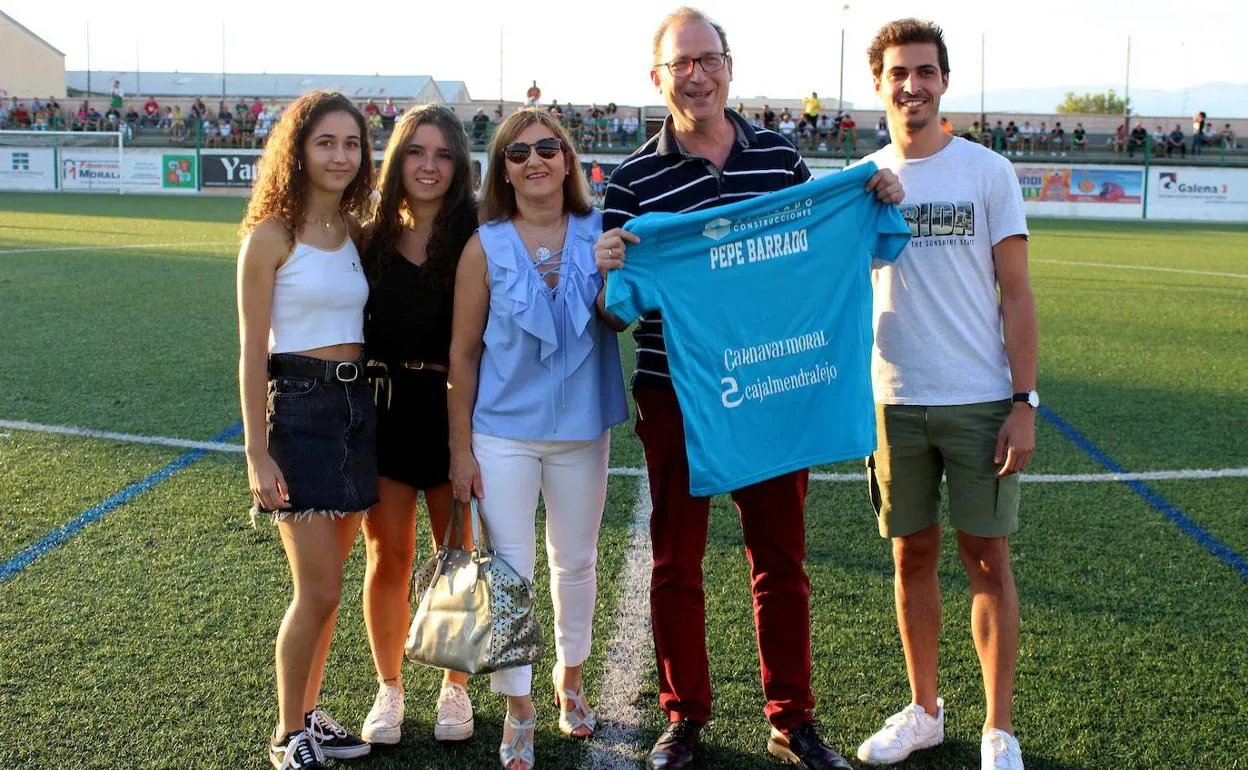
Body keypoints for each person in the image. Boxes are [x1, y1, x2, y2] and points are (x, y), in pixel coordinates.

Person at [593, 8, 902, 770]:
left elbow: (819, 257)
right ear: (658, 76)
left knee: (781, 562)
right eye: (680, 63)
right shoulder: (633, 180)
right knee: (674, 562)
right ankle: (683, 715)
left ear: (729, 65)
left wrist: (875, 195)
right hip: (676, 395)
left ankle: (792, 718)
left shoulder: (782, 161)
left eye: (708, 59)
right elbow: (614, 312)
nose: (696, 75)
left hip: (769, 390)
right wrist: (609, 272)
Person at [854, 20, 1036, 770]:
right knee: (911, 556)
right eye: (898, 73)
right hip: (893, 398)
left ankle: (999, 730)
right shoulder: (860, 179)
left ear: (944, 81)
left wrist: (1025, 401)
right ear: (878, 85)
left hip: (979, 398)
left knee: (987, 557)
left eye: (924, 72)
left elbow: (1017, 295)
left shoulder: (987, 173)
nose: (911, 86)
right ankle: (924, 710)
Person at [447, 108, 628, 770]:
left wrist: (613, 274)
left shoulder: (602, 231)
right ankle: (518, 709)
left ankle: (569, 681)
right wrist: (459, 450)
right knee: (512, 574)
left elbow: (619, 318)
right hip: (502, 435)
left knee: (575, 562)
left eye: (547, 148)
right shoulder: (483, 245)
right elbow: (463, 355)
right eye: (518, 153)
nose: (535, 161)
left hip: (582, 431)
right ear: (502, 170)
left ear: (568, 159)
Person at [236, 90, 377, 770]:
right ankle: (287, 734)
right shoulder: (272, 237)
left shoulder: (357, 231)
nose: (340, 156)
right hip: (299, 414)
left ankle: (311, 714)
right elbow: (248, 352)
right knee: (315, 590)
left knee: (332, 588)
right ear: (300, 148)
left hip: (358, 414)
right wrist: (256, 453)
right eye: (326, 142)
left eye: (351, 144)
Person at [357, 105, 480, 748]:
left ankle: (454, 689)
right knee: (389, 557)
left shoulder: (475, 234)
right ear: (398, 158)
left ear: (458, 165)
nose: (429, 166)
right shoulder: (369, 236)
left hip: (455, 408)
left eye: (442, 155)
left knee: (456, 559)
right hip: (385, 409)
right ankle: (390, 686)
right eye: (416, 152)